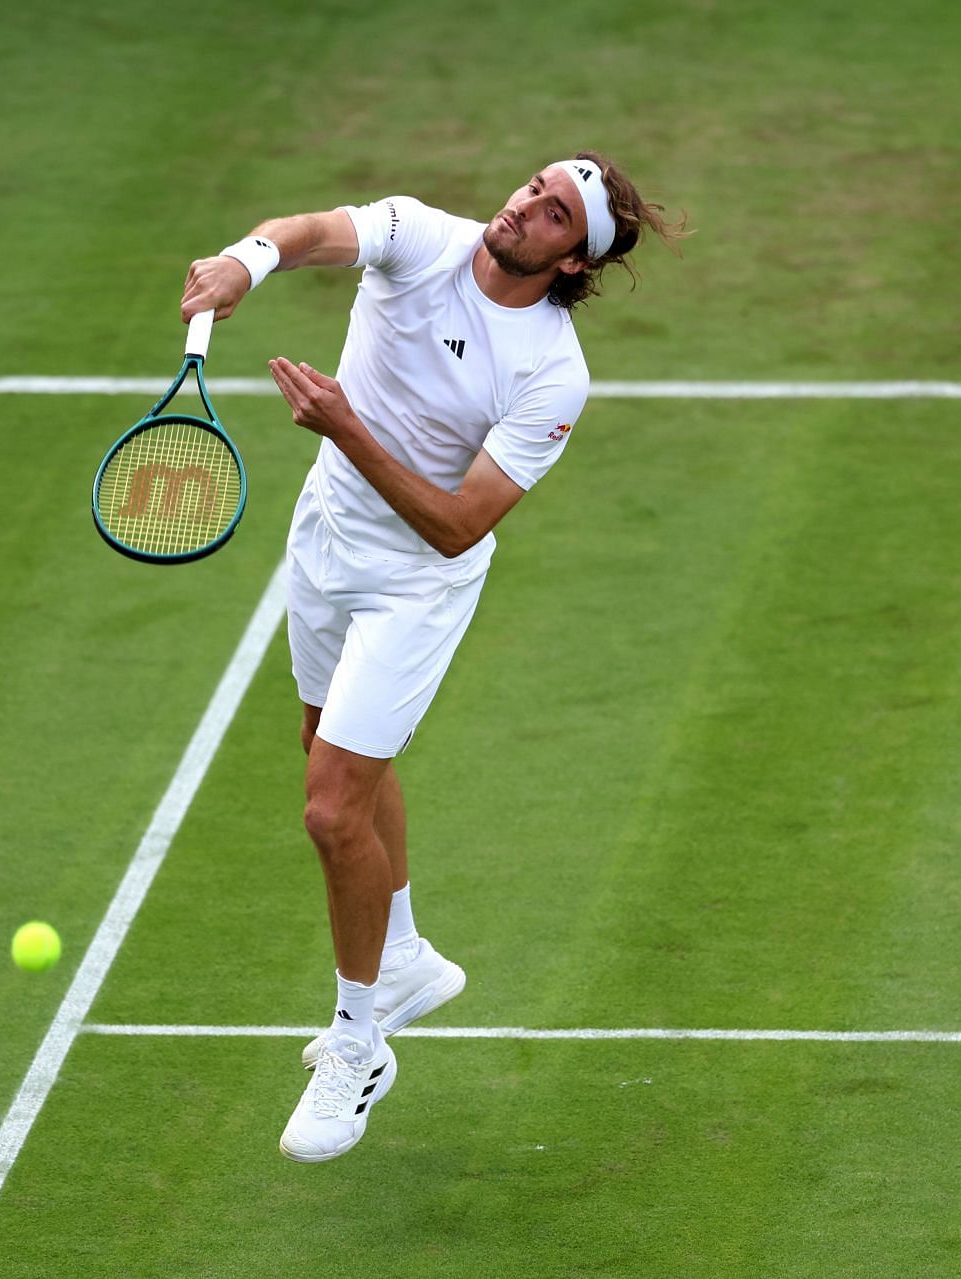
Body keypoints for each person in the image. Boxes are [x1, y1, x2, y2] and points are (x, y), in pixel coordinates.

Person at [180, 153, 684, 1163]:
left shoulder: (552, 374)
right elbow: (315, 233)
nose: (524, 207)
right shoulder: (421, 235)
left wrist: (345, 426)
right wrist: (247, 261)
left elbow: (458, 525)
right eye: (531, 188)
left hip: (415, 584)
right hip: (324, 540)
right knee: (331, 743)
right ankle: (401, 952)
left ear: (571, 261)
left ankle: (361, 1041)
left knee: (331, 810)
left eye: (551, 215)